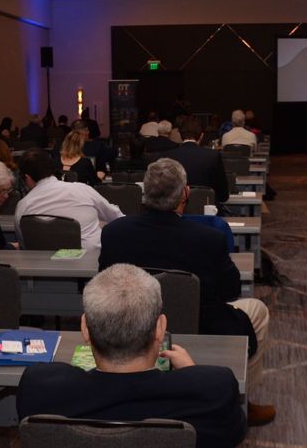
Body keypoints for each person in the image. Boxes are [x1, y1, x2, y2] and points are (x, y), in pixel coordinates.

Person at [16, 264, 245, 448]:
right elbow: (233, 433)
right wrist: (190, 374)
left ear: (85, 329)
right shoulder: (212, 391)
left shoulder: (39, 387)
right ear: (160, 328)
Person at [99, 158, 275, 427]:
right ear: (185, 194)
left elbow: (104, 282)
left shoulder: (114, 233)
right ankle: (241, 402)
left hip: (131, 327)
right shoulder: (209, 238)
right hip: (202, 326)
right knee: (257, 310)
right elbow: (230, 290)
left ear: (144, 194)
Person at [14, 150, 123, 250]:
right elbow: (117, 217)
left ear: (27, 177)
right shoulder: (82, 189)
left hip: (44, 267)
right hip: (92, 262)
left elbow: (25, 244)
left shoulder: (23, 205)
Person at [164, 117, 228, 205]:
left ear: (180, 135)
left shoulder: (168, 156)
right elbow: (223, 195)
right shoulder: (213, 156)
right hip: (207, 208)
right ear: (201, 136)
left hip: (175, 209)